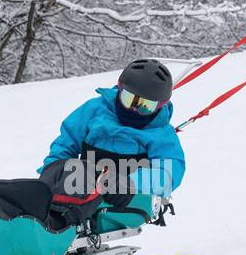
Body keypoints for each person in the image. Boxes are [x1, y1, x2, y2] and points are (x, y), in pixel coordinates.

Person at [37, 57, 185, 219]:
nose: (134, 109)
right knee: (52, 183)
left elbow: (169, 171)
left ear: (159, 106)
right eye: (129, 99)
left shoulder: (160, 133)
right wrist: (52, 170)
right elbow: (67, 141)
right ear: (119, 90)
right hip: (81, 184)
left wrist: (132, 183)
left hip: (122, 198)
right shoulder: (96, 109)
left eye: (145, 106)